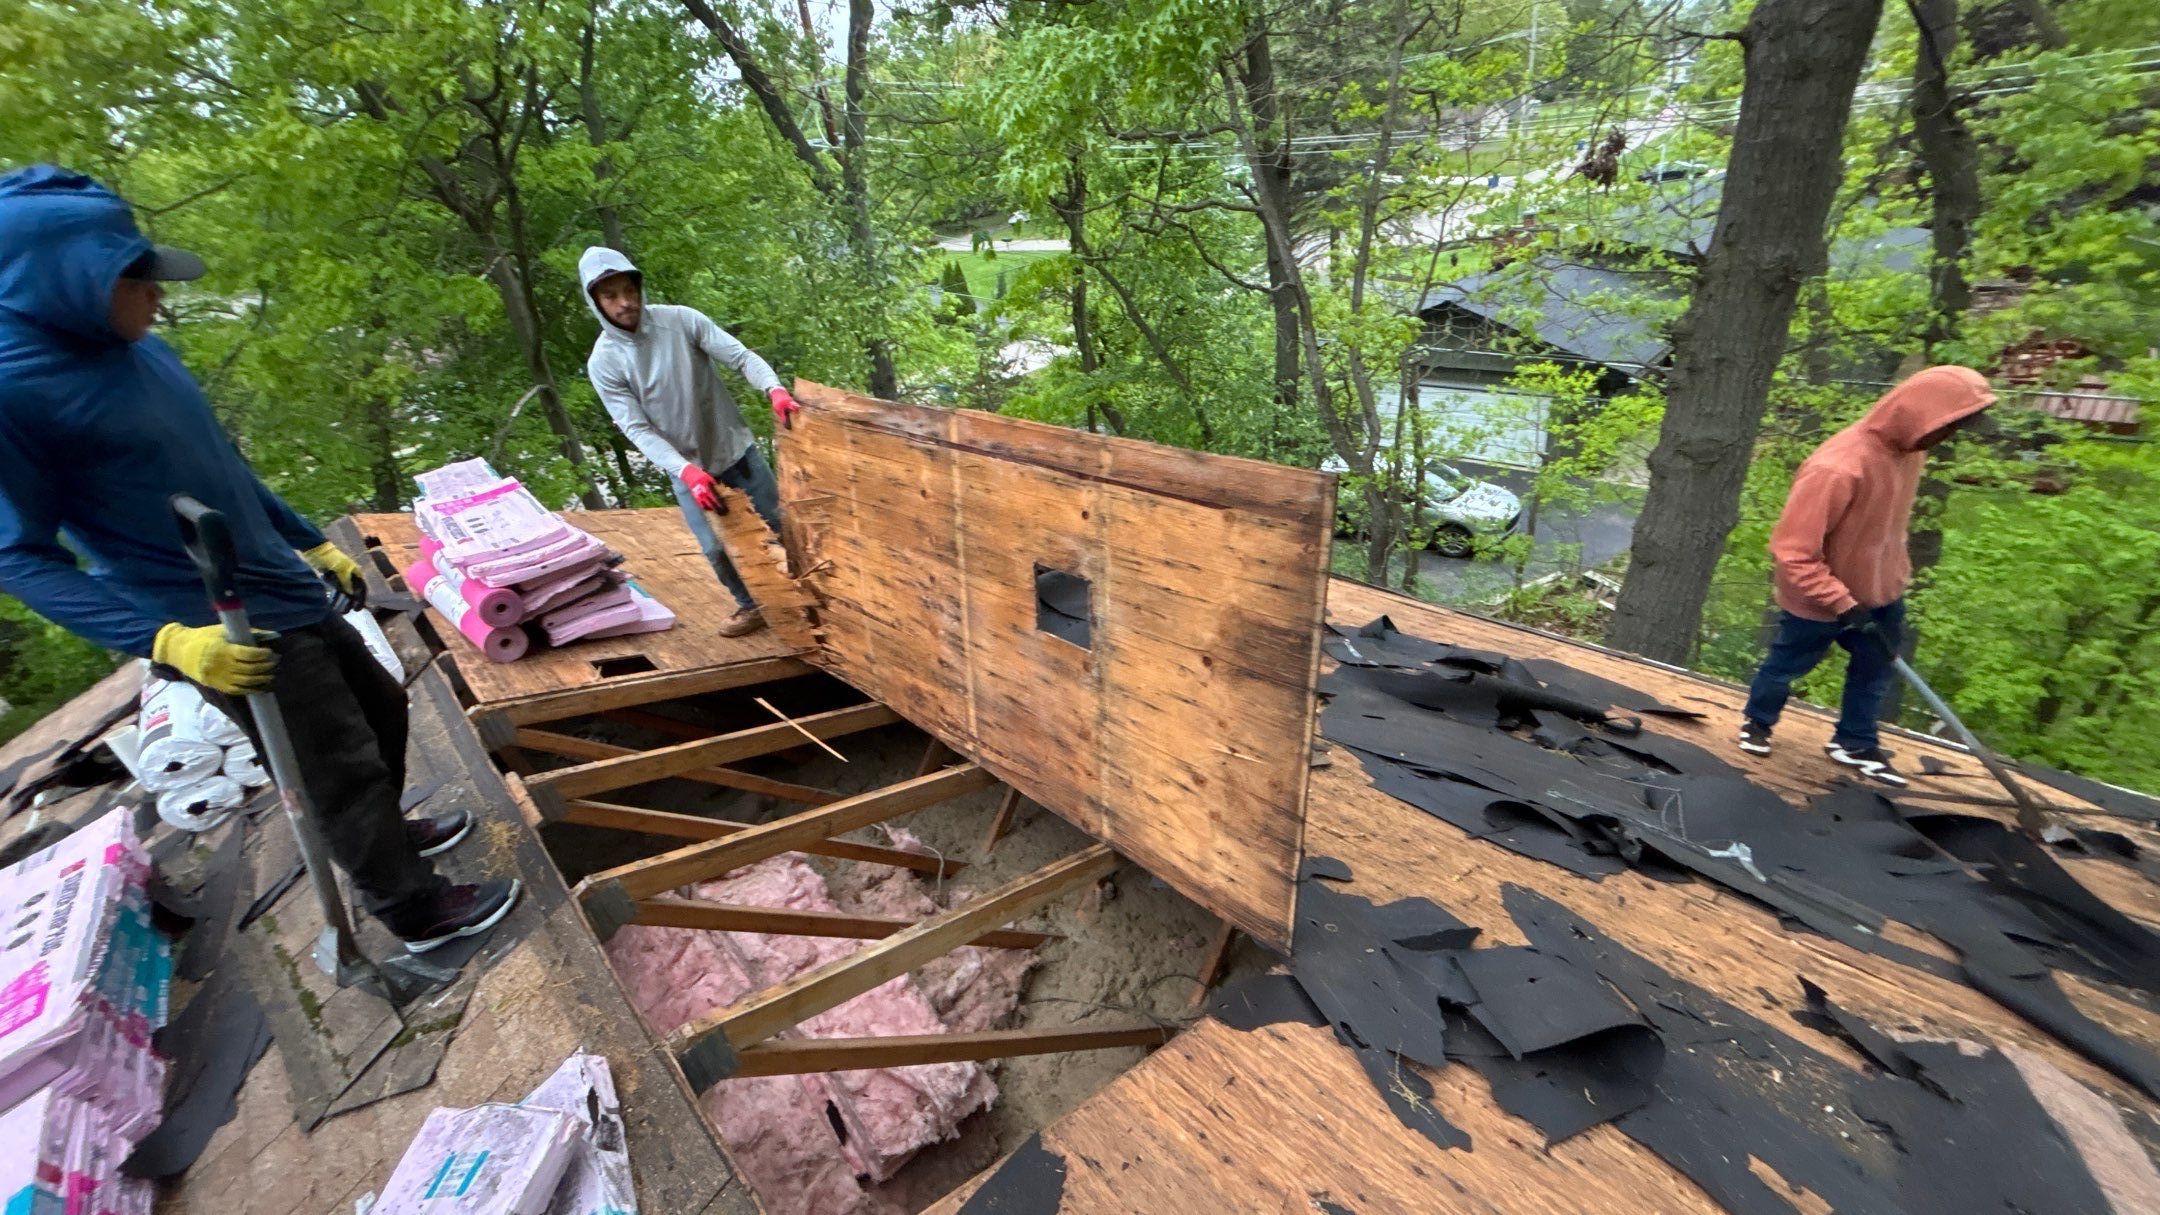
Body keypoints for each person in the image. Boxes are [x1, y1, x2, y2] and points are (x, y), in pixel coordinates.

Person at [0, 164, 518, 952]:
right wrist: (170, 642)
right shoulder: (18, 394)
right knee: (334, 767)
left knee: (383, 706)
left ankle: (390, 834)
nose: (159, 298)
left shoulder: (142, 352)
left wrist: (307, 537)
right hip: (215, 622)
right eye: (138, 282)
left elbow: (219, 464)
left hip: (276, 583)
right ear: (73, 285)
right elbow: (22, 559)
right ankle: (412, 910)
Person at [1738, 365, 1997, 786]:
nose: (1948, 437)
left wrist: (1891, 580)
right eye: (1948, 426)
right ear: (1917, 415)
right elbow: (1793, 551)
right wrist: (1841, 601)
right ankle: (1757, 722)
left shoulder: (1910, 454)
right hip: (1816, 597)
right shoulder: (1837, 468)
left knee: (1875, 670)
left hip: (1880, 591)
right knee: (1786, 666)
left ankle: (1855, 741)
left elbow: (1887, 528)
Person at [578, 247, 803, 638]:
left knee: (780, 524)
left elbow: (742, 357)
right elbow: (637, 429)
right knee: (716, 549)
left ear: (638, 287)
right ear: (595, 301)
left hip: (733, 448)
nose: (625, 302)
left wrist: (774, 389)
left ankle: (812, 594)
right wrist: (686, 471)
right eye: (611, 296)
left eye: (628, 290)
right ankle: (753, 605)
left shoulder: (681, 321)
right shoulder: (605, 362)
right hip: (686, 468)